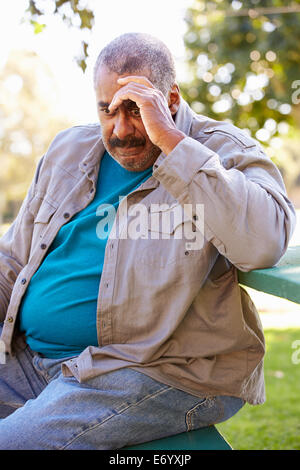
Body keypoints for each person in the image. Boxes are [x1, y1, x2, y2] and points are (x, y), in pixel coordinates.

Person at [0, 32, 296, 450]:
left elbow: (264, 241)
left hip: (158, 369)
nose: (120, 130)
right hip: (32, 358)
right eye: (107, 111)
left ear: (170, 99)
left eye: (135, 110)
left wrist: (172, 144)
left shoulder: (224, 151)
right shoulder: (69, 149)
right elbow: (13, 261)